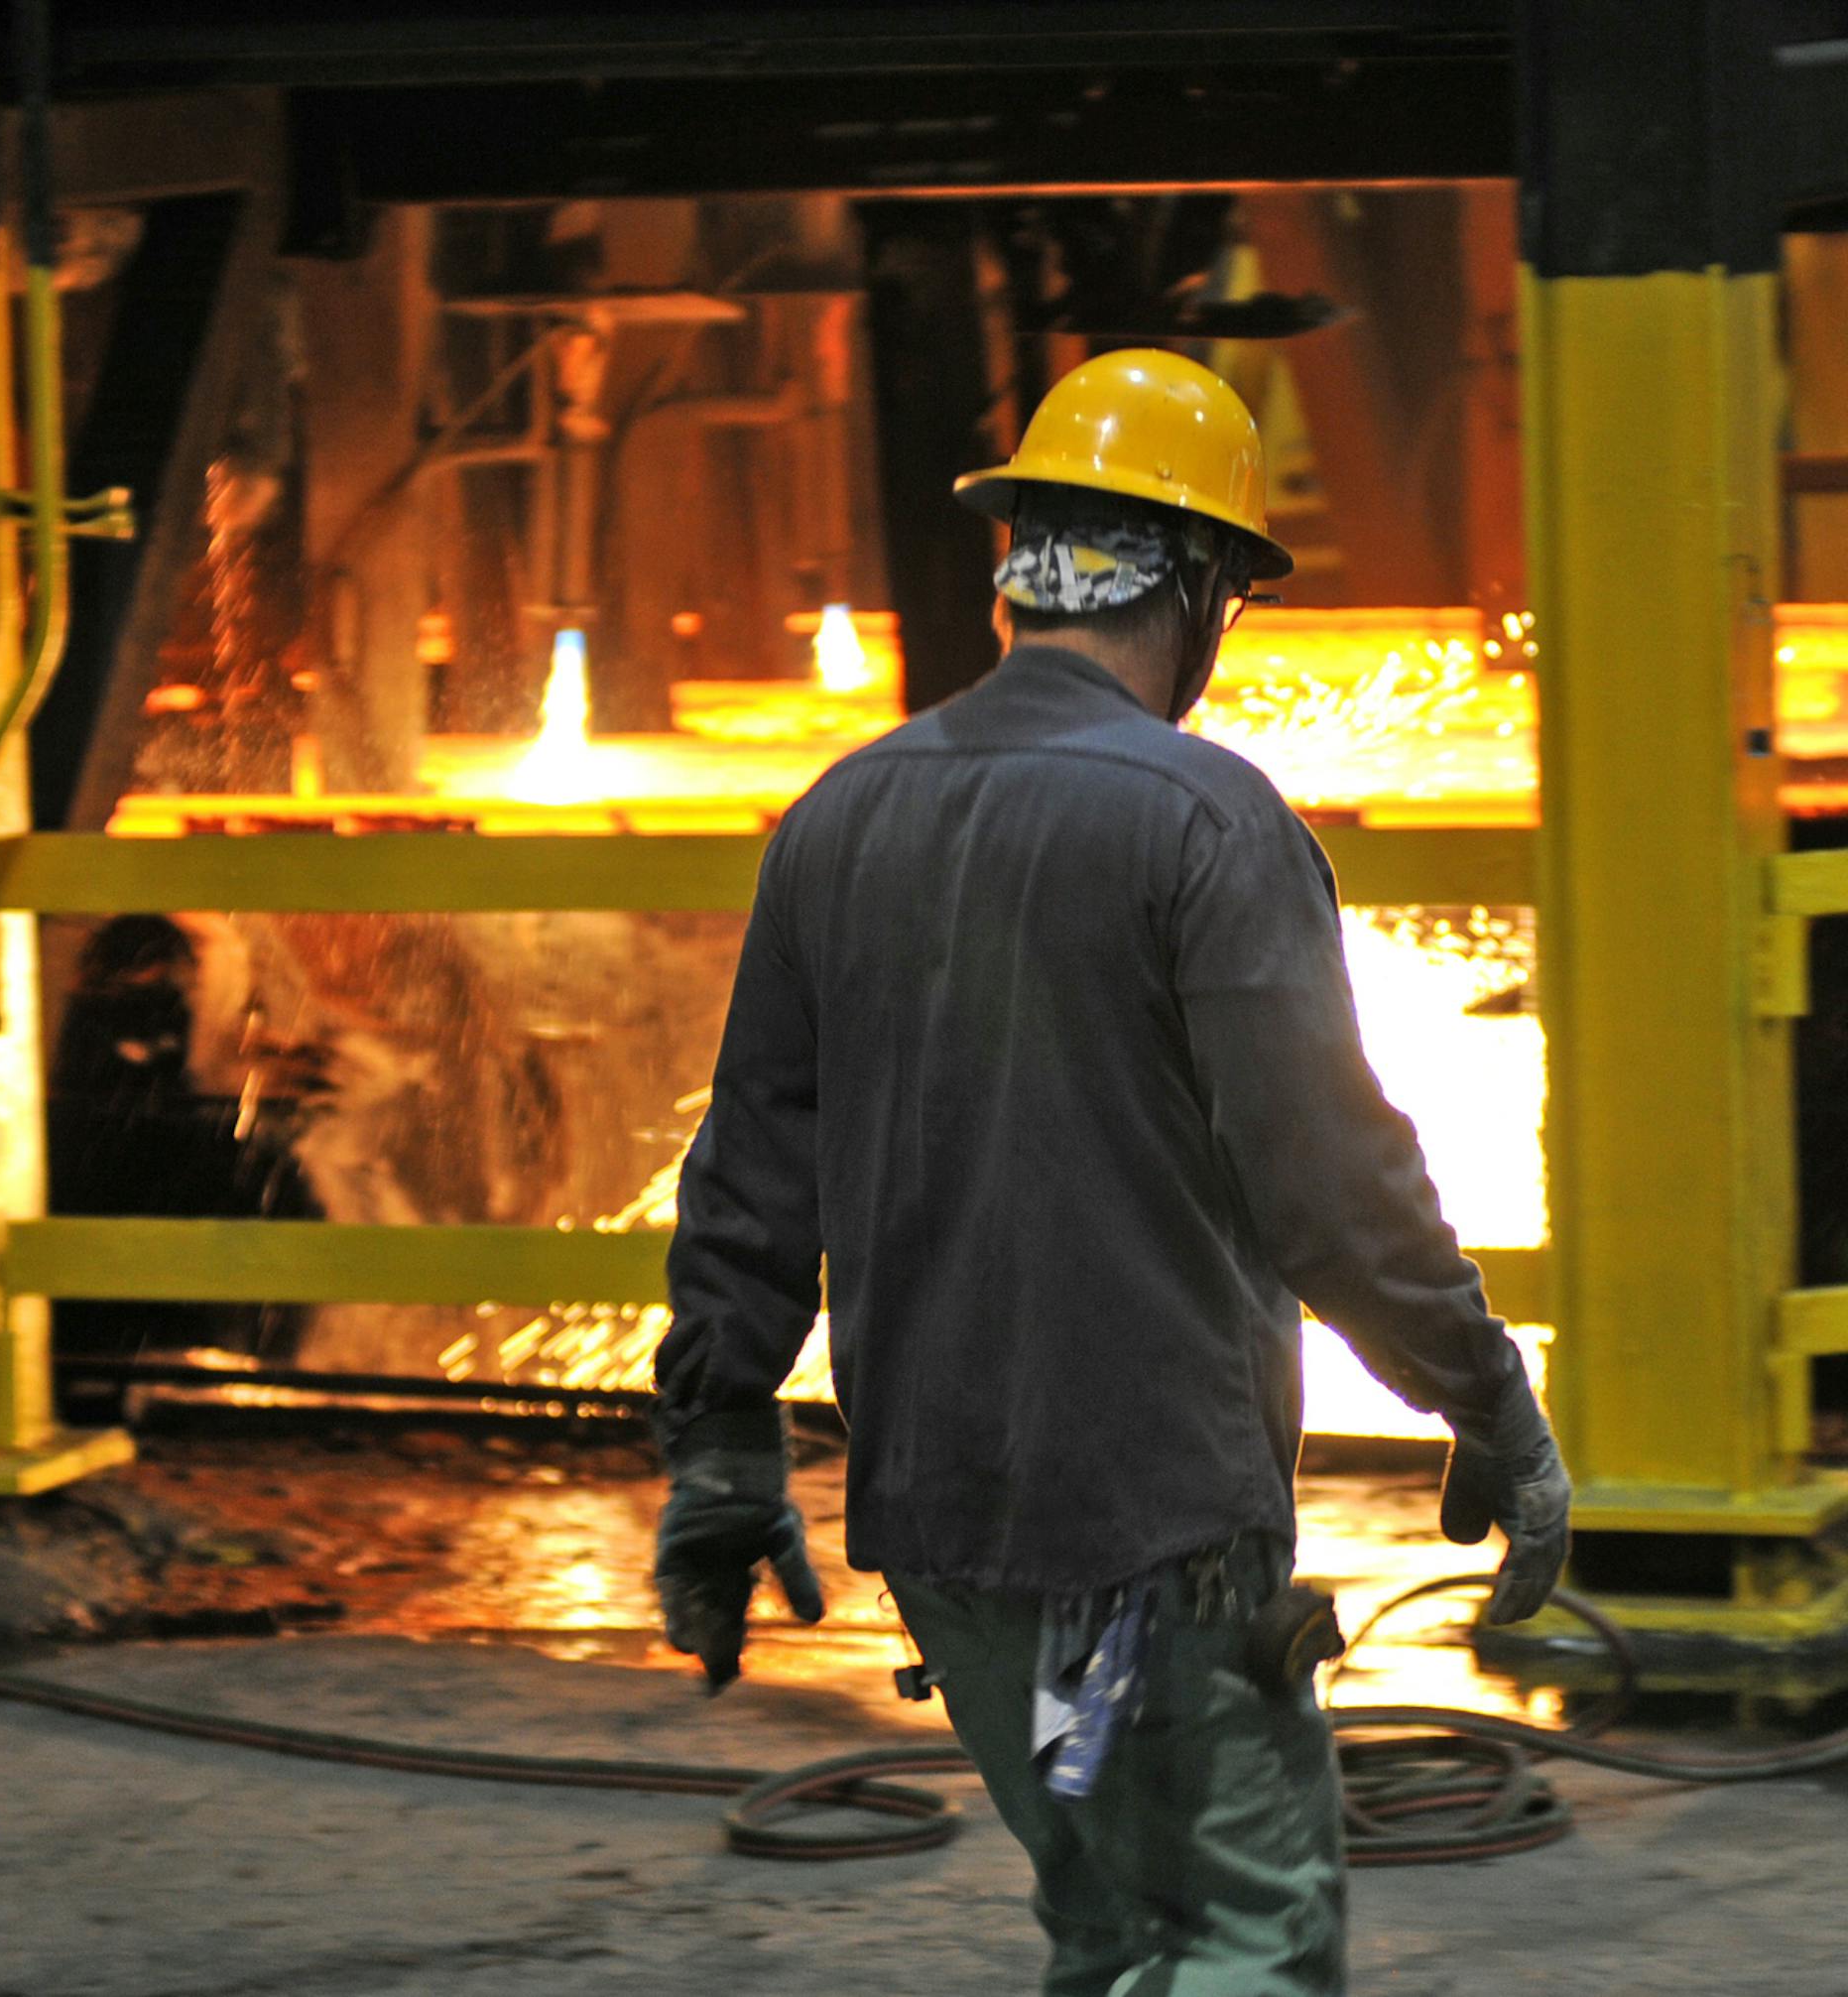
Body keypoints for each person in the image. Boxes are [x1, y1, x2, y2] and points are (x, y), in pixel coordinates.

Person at [650, 349, 1570, 1996]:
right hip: (1153, 1554)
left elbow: (748, 1171)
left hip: (957, 1550)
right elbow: (1334, 1184)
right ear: (1203, 587)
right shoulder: (1208, 821)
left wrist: (721, 1450)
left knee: (1109, 1903)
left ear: (1024, 567)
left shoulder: (836, 817)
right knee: (1240, 1929)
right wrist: (1489, 1400)